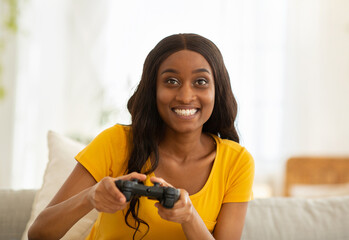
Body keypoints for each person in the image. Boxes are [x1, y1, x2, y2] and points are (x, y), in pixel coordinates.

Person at [28, 33, 254, 240]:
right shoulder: (116, 142)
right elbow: (39, 234)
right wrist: (90, 197)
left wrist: (189, 217)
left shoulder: (236, 162)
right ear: (153, 90)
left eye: (201, 82)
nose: (186, 96)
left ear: (218, 90)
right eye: (171, 81)